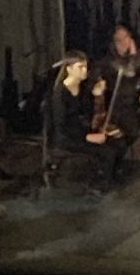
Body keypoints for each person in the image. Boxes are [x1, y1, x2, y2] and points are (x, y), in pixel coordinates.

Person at [49, 51, 125, 191]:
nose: (84, 70)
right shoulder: (60, 94)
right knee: (107, 152)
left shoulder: (83, 88)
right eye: (80, 67)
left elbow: (88, 114)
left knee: (119, 141)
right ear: (69, 69)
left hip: (83, 131)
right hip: (68, 138)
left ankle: (113, 177)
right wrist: (87, 137)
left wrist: (96, 96)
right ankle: (100, 185)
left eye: (85, 66)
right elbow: (62, 125)